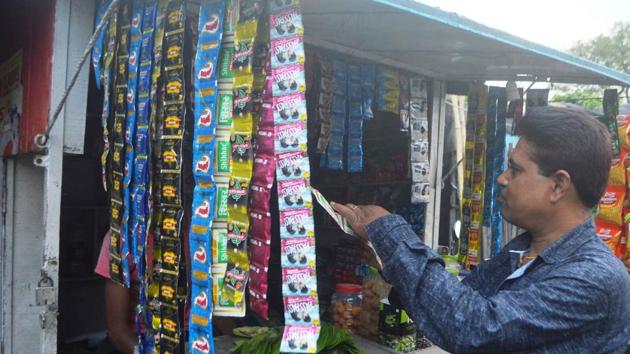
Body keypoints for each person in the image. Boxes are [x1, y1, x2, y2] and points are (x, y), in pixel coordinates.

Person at [333, 107, 630, 353]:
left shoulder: (594, 277)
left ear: (558, 186)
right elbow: (457, 301)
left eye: (515, 170)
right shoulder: (521, 251)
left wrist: (389, 232)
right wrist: (389, 264)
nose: (502, 179)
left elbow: (474, 326)